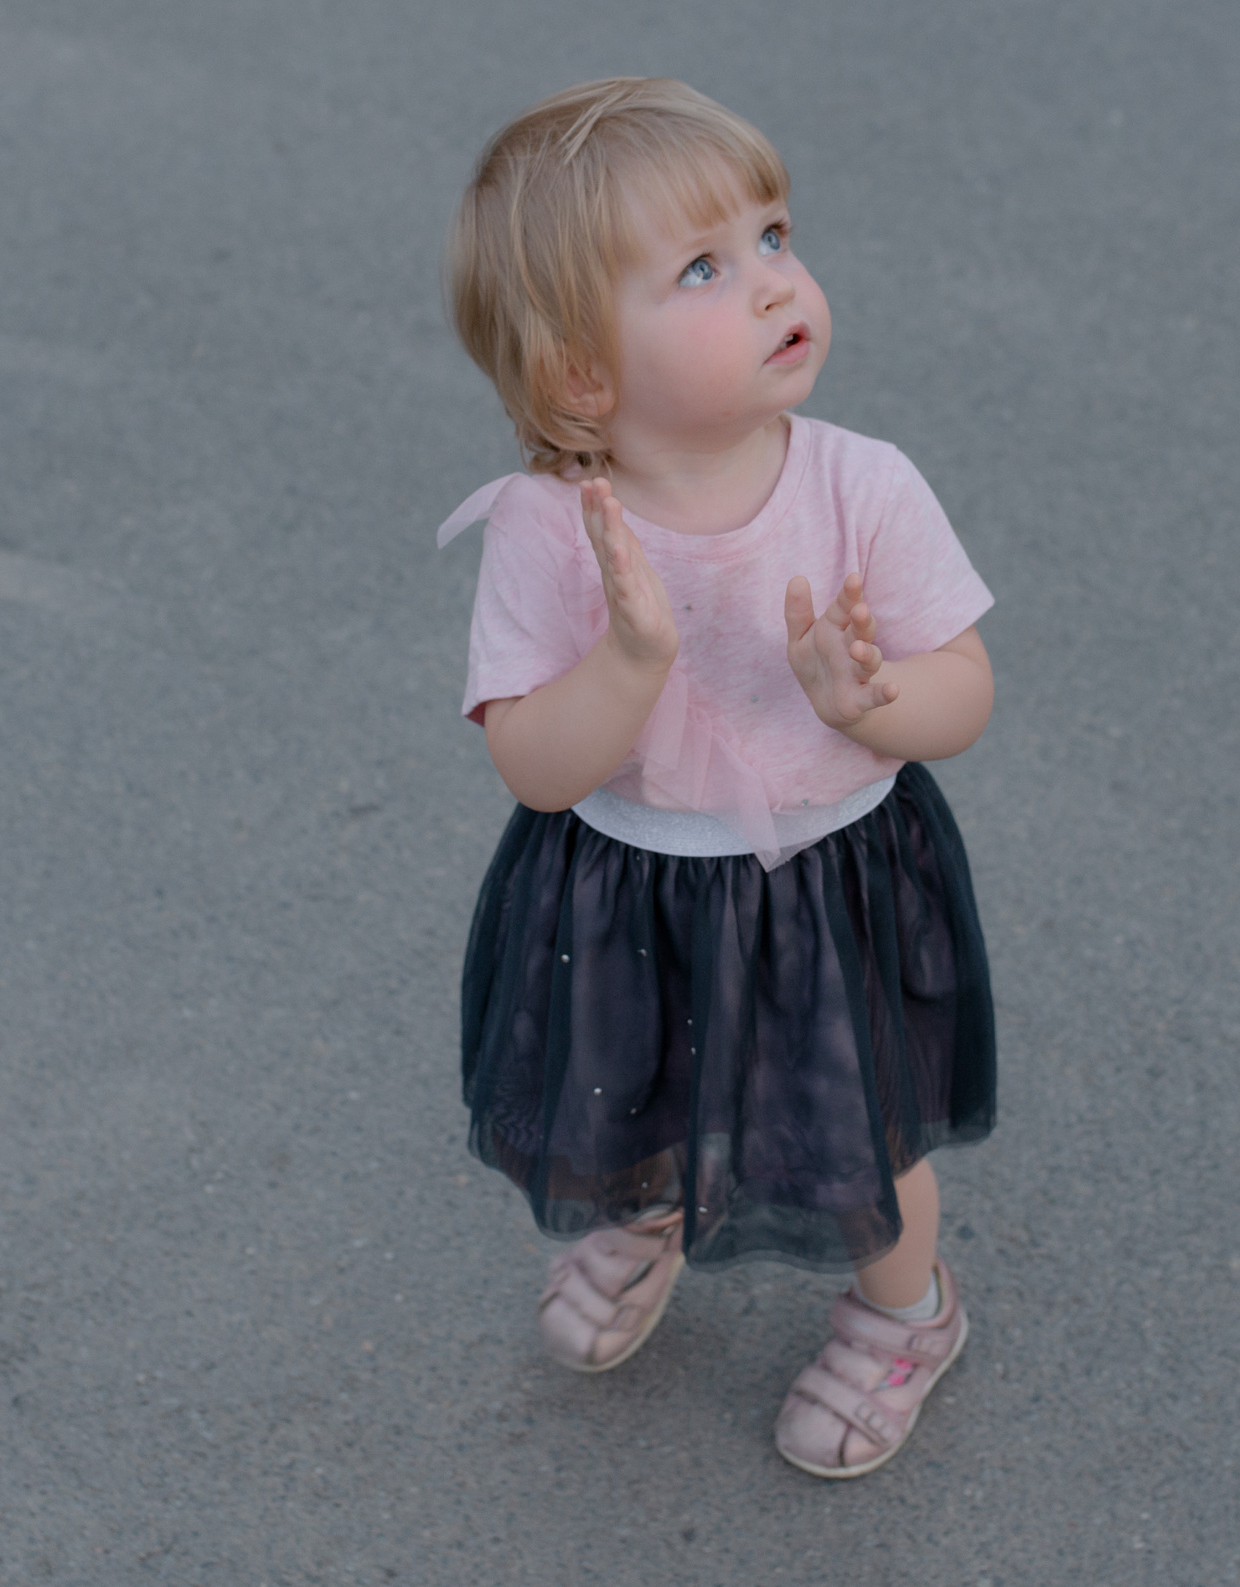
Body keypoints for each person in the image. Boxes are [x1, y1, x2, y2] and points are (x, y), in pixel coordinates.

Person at [437, 78, 1000, 1478]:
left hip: (829, 881)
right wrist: (629, 664)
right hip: (626, 880)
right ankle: (650, 1213)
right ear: (582, 374)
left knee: (861, 1128)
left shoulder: (861, 486)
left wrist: (875, 698)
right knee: (628, 1082)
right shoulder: (550, 529)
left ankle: (906, 1312)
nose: (772, 282)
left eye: (773, 235)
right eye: (703, 267)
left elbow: (968, 688)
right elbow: (534, 766)